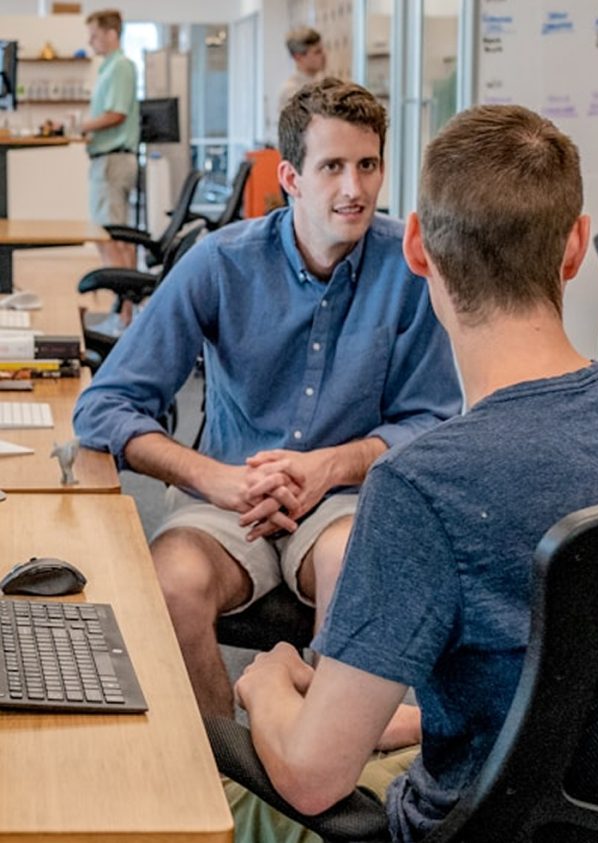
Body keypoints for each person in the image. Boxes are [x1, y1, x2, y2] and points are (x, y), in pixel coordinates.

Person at [230, 104, 598, 843]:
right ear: (575, 246)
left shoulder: (423, 485)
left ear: (415, 247)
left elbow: (312, 774)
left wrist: (265, 682)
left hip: (467, 826)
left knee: (201, 793)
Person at [73, 78, 461, 717]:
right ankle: (228, 768)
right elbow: (104, 406)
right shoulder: (220, 263)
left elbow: (434, 421)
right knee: (171, 585)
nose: (354, 189)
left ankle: (318, 766)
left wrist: (329, 467)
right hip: (227, 497)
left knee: (356, 572)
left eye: (368, 166)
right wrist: (213, 479)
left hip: (343, 500)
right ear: (291, 176)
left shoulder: (411, 268)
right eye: (332, 167)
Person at [81, 9, 140, 269]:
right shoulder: (109, 68)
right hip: (109, 160)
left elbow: (117, 114)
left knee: (109, 237)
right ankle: (126, 305)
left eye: (94, 35)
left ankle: (124, 307)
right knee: (116, 236)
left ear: (112, 34)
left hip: (112, 162)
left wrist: (80, 127)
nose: (90, 41)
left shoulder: (120, 66)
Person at [278, 27, 327, 119]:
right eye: (317, 52)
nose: (324, 55)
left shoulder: (322, 80)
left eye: (322, 50)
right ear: (298, 57)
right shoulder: (290, 91)